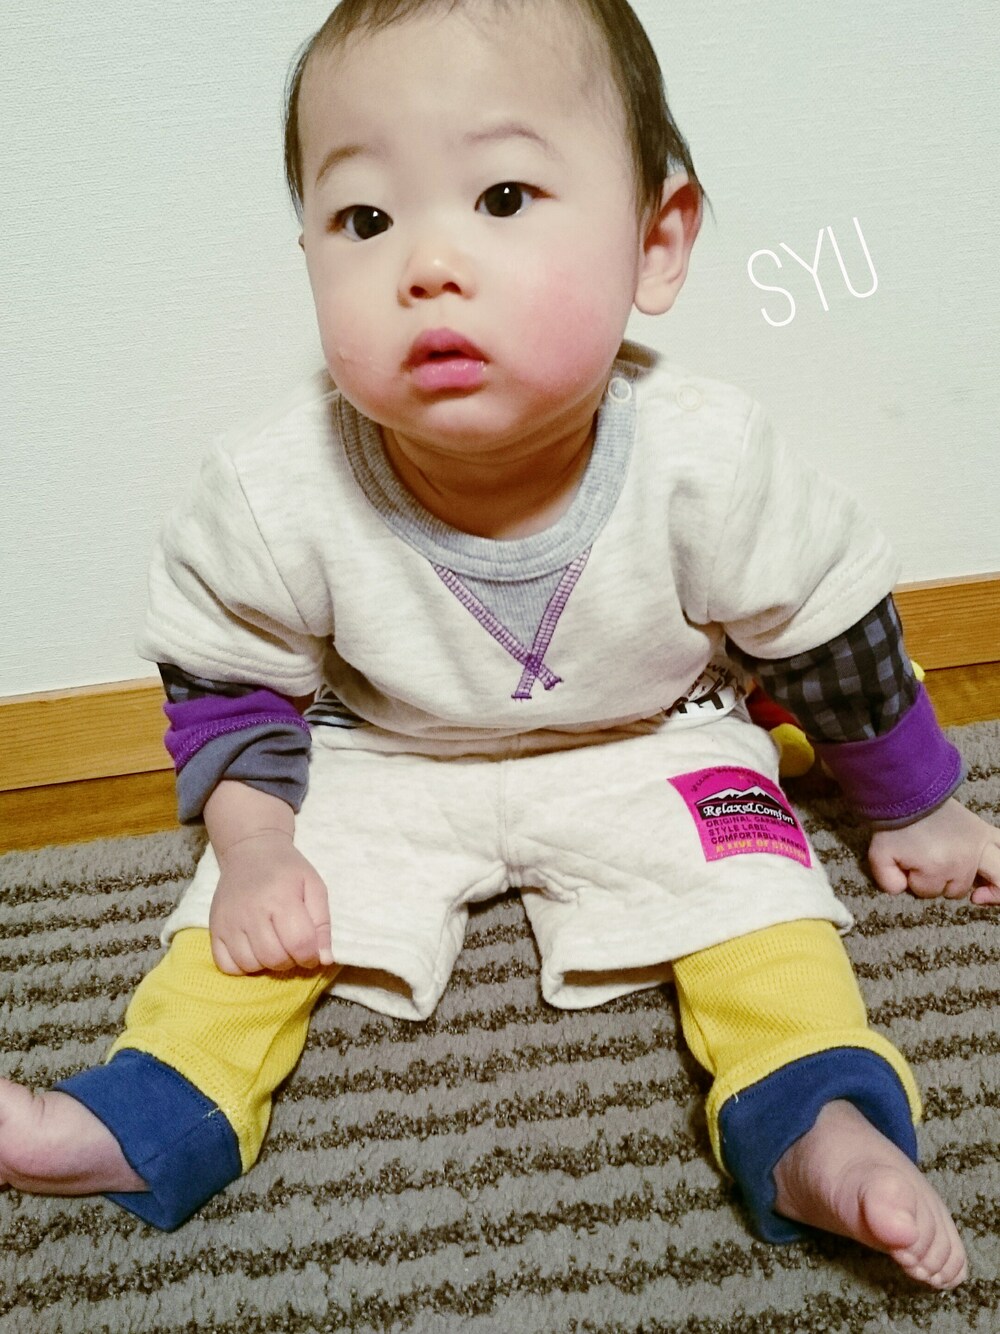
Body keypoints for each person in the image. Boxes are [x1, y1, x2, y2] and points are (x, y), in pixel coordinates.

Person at [2, 0, 997, 1287]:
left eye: (505, 196)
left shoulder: (707, 457)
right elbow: (230, 686)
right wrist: (253, 849)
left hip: (657, 740)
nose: (426, 262)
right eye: (365, 218)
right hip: (383, 756)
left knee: (760, 901)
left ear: (655, 243)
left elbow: (830, 638)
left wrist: (916, 803)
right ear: (306, 252)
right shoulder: (273, 485)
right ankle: (143, 1112)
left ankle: (818, 1118)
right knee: (241, 929)